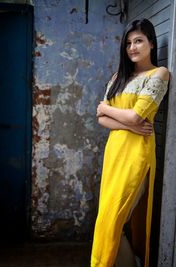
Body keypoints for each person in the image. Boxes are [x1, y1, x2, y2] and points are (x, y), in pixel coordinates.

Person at [91, 18, 169, 267]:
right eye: (128, 43)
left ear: (152, 44)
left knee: (115, 218)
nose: (133, 47)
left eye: (139, 41)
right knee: (107, 216)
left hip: (137, 155)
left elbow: (136, 115)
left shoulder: (159, 74)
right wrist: (128, 123)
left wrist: (107, 109)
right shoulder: (118, 77)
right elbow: (101, 119)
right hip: (114, 153)